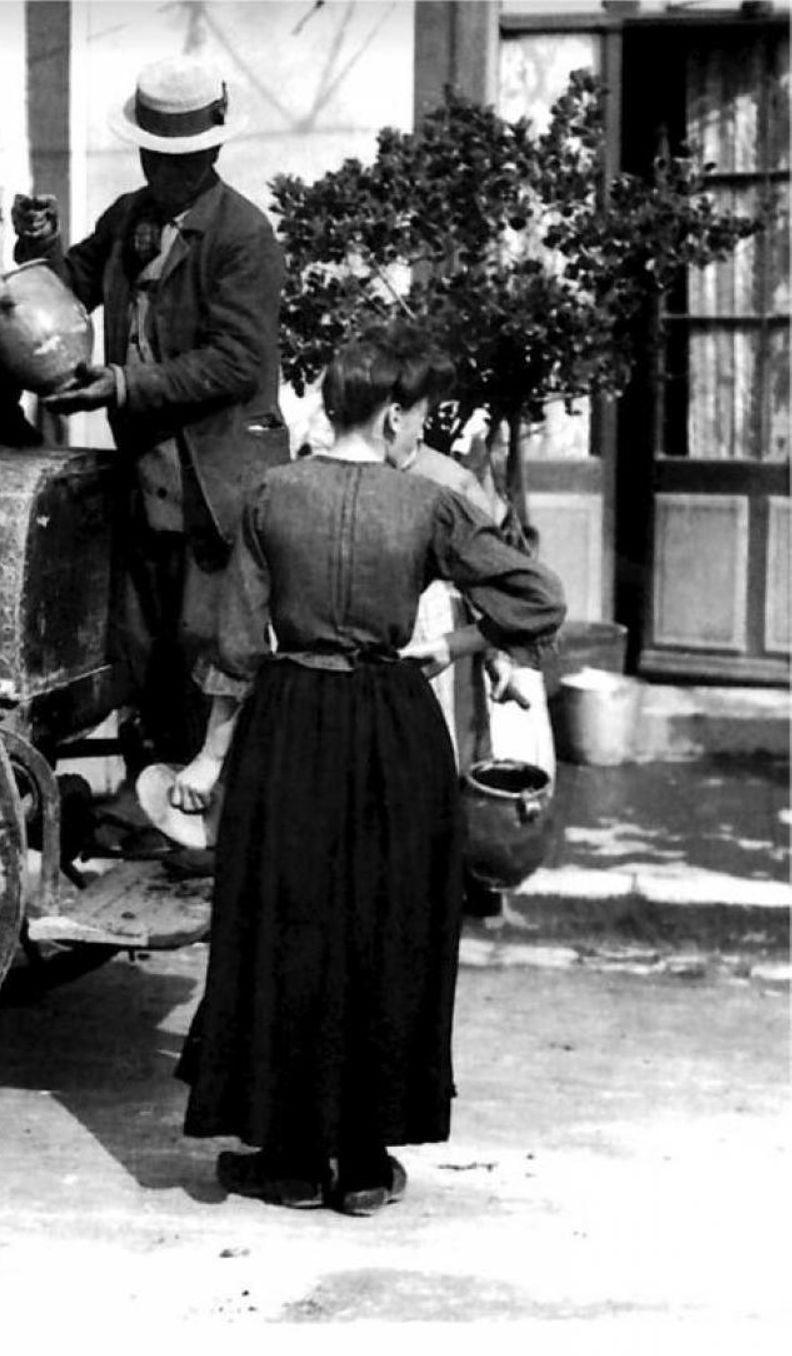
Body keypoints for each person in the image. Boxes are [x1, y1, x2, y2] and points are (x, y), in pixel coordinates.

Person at [167, 322, 565, 1215]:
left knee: (288, 924)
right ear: (390, 417)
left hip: (290, 729)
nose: (422, 435)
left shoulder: (272, 496)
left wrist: (210, 755)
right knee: (389, 928)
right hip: (394, 731)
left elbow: (236, 647)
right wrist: (465, 641)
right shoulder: (428, 506)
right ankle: (365, 1162)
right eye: (419, 417)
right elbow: (538, 596)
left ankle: (293, 1158)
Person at [10, 56, 289, 803]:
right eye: (152, 156)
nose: (161, 172)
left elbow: (237, 363)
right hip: (147, 484)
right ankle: (153, 811)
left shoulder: (243, 237)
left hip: (218, 488)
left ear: (211, 153)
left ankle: (212, 829)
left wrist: (127, 385)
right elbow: (64, 287)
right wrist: (38, 247)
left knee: (211, 653)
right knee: (141, 654)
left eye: (178, 159)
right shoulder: (129, 217)